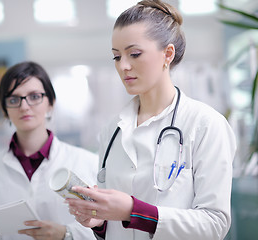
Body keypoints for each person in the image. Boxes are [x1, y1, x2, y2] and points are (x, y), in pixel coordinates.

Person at [66, 1, 237, 240]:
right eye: (117, 57)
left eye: (134, 54)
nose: (124, 66)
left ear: (168, 54)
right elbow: (114, 226)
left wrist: (134, 211)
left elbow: (215, 224)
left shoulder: (206, 125)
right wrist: (99, 222)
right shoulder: (112, 131)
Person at [0, 61, 98, 240]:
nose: (24, 106)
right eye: (14, 99)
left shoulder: (87, 162)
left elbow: (106, 229)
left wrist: (65, 234)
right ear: (5, 110)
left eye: (34, 96)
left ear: (50, 103)